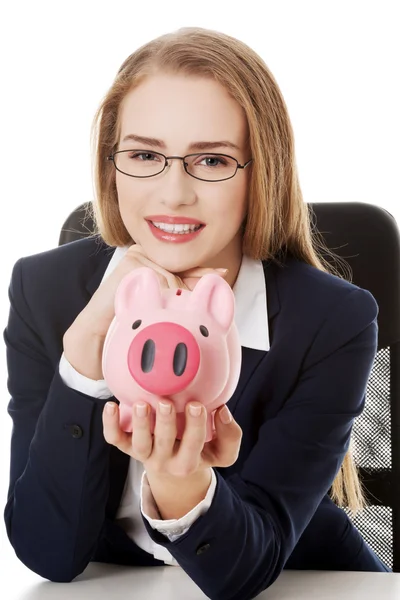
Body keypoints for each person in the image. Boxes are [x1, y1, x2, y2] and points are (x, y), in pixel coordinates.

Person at [3, 26, 390, 600]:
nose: (174, 193)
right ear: (111, 164)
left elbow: (247, 573)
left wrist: (179, 479)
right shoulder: (45, 290)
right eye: (144, 155)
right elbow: (48, 553)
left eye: (211, 160)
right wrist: (84, 352)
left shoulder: (332, 321)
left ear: (262, 171)